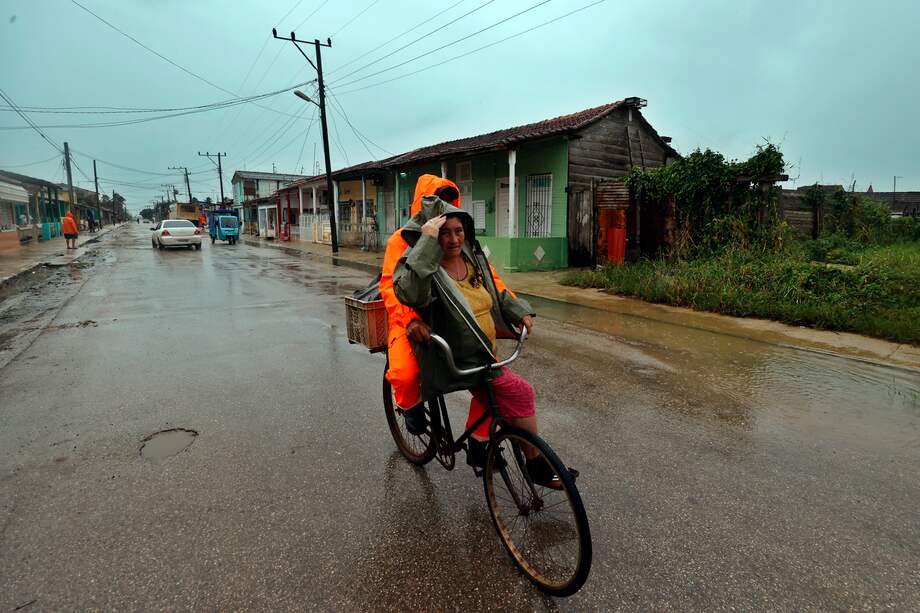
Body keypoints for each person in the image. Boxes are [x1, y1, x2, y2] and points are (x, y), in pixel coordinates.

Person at [384, 175, 562, 487]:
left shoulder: (464, 245)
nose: (452, 236)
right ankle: (410, 409)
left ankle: (480, 442)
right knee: (404, 374)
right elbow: (396, 287)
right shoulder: (405, 240)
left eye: (451, 201)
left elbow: (491, 284)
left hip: (463, 331)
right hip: (413, 322)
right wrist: (412, 319)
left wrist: (517, 309)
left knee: (490, 376)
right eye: (438, 199)